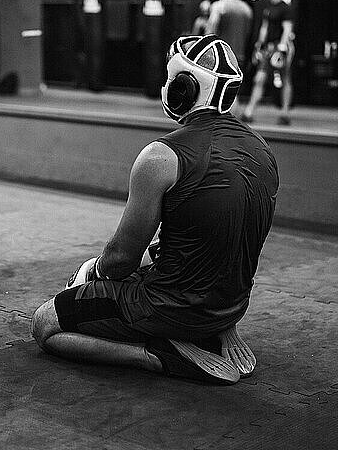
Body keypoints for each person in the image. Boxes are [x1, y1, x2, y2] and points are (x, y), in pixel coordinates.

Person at [32, 34, 279, 385]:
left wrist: (88, 274)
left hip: (171, 308)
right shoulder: (262, 149)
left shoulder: (162, 157)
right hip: (232, 304)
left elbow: (120, 259)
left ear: (183, 89)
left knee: (46, 324)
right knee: (165, 253)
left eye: (170, 80)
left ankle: (155, 354)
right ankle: (216, 330)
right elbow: (225, 239)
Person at [242, 0, 294, 126]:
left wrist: (282, 49)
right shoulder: (268, 7)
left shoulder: (286, 8)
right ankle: (249, 112)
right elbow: (264, 28)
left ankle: (284, 113)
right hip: (268, 48)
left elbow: (287, 29)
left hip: (281, 47)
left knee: (285, 79)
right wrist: (259, 44)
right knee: (259, 78)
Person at [206, 0, 253, 115]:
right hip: (239, 55)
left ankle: (229, 121)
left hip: (220, 55)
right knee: (232, 89)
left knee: (220, 91)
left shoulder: (218, 6)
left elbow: (210, 31)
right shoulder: (247, 10)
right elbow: (249, 34)